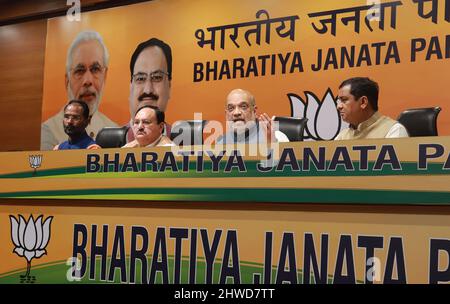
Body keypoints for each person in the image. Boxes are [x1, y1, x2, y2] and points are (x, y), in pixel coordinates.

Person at [41, 30, 118, 150]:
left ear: (105, 76)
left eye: (95, 69)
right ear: (67, 80)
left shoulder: (113, 130)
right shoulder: (49, 132)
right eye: (79, 71)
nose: (88, 80)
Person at [127, 37, 172, 142]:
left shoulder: (181, 141)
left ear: (169, 86)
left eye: (157, 77)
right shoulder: (113, 142)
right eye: (140, 78)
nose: (148, 90)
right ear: (130, 87)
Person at [335, 77, 409, 140]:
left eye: (344, 100)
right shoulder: (342, 137)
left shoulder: (394, 130)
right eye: (339, 101)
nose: (338, 106)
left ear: (363, 102)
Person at [216, 88, 289, 144]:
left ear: (254, 111)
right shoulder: (221, 143)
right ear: (226, 114)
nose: (236, 112)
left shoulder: (276, 137)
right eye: (231, 108)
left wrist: (272, 146)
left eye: (243, 106)